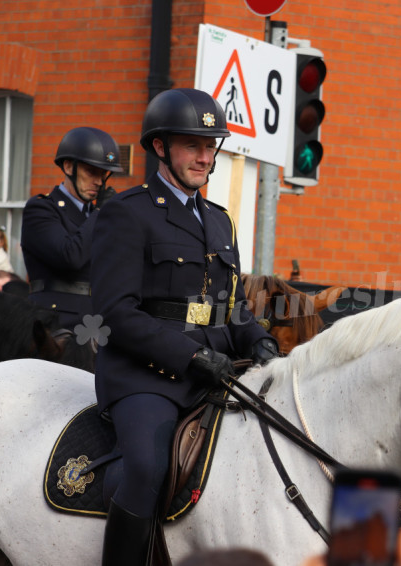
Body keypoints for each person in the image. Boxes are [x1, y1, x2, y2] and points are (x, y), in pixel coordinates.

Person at [92, 88, 280, 566]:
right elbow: (117, 313)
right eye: (192, 145)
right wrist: (191, 356)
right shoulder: (127, 212)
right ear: (160, 146)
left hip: (216, 370)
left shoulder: (220, 221)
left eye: (211, 146)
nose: (204, 157)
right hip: (145, 376)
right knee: (147, 467)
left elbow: (231, 306)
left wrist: (260, 341)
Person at [20, 127, 122, 329]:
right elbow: (70, 256)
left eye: (103, 174)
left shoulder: (98, 215)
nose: (99, 182)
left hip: (100, 318)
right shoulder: (41, 208)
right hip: (56, 321)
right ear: (68, 167)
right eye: (91, 172)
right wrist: (101, 212)